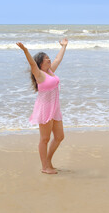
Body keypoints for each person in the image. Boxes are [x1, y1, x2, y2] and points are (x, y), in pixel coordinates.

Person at [16, 38, 68, 174]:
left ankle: (48, 161)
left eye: (48, 58)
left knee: (59, 137)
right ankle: (45, 167)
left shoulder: (50, 71)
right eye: (46, 58)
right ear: (40, 62)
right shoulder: (39, 74)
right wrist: (25, 50)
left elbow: (58, 58)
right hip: (45, 109)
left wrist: (64, 46)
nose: (49, 60)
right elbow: (32, 64)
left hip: (55, 108)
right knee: (45, 139)